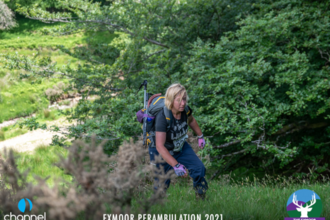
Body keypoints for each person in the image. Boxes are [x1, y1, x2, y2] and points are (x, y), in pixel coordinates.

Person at [148, 83, 208, 200]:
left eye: (184, 99)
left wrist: (200, 136)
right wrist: (176, 165)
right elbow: (160, 146)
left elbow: (191, 121)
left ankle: (201, 198)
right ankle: (157, 208)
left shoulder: (185, 110)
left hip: (180, 147)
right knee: (161, 187)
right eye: (179, 100)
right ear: (171, 100)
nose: (183, 103)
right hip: (161, 152)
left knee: (199, 169)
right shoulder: (163, 117)